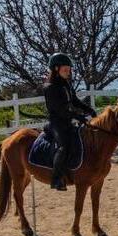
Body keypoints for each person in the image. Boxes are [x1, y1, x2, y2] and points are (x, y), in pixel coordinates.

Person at [42, 53, 97, 191]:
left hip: (67, 121)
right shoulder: (50, 87)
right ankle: (56, 179)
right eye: (65, 70)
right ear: (56, 69)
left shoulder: (65, 83)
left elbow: (74, 101)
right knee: (64, 146)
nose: (68, 72)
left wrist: (89, 110)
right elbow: (61, 110)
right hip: (56, 123)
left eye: (69, 70)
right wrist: (79, 117)